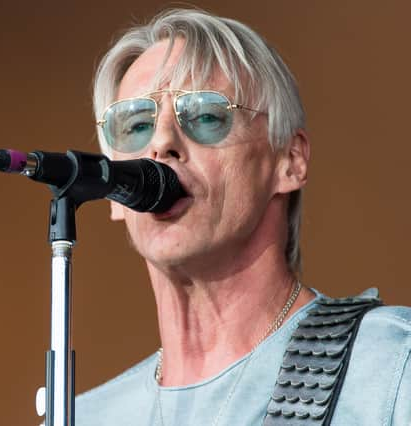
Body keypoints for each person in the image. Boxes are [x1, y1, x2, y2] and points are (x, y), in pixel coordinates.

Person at [74, 8, 411, 426]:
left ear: (290, 160)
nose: (161, 143)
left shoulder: (392, 367)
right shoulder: (83, 417)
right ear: (114, 194)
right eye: (136, 124)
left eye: (206, 116)